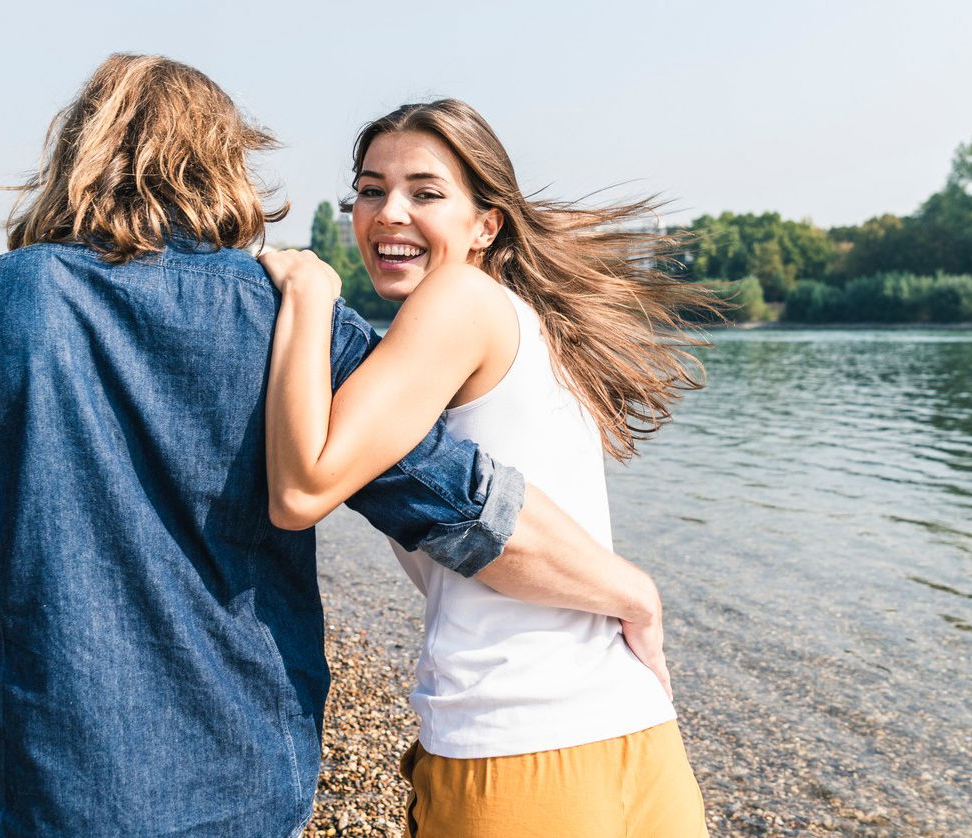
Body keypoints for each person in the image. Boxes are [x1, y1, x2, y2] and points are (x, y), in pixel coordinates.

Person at [0, 55, 670, 838]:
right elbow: (455, 502)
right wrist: (628, 590)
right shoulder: (282, 314)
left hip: (41, 780)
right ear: (224, 165)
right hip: (246, 780)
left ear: (73, 158)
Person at [259, 99, 714, 838]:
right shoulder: (522, 320)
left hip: (517, 750)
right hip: (637, 736)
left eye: (425, 192)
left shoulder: (459, 298)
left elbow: (301, 489)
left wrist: (310, 297)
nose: (388, 213)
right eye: (370, 190)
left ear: (486, 224)